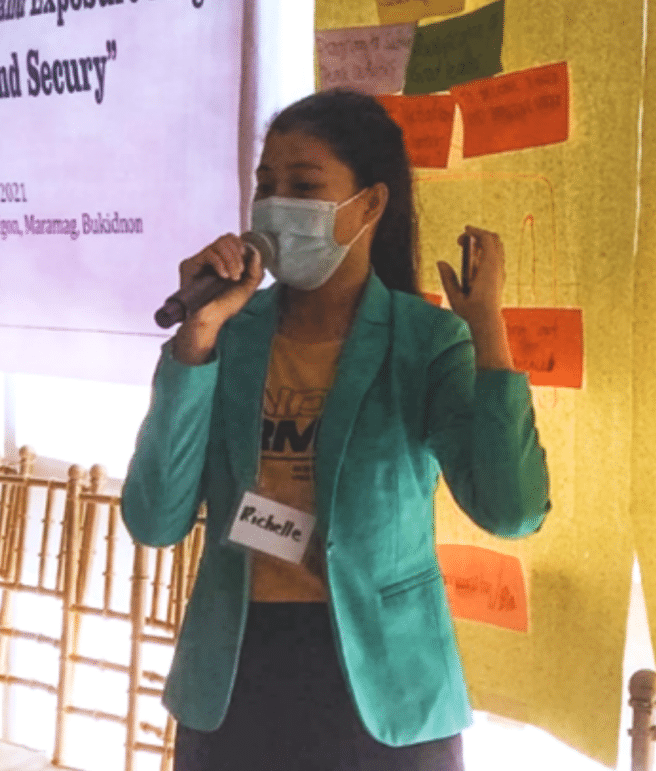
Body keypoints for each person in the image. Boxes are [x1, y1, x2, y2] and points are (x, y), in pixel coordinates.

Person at [122, 88, 551, 771]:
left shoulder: (425, 341)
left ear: (369, 204)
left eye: (303, 184)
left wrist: (487, 330)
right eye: (266, 184)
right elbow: (154, 518)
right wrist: (196, 339)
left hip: (386, 685)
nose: (275, 204)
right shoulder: (227, 335)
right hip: (235, 678)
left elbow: (512, 508)